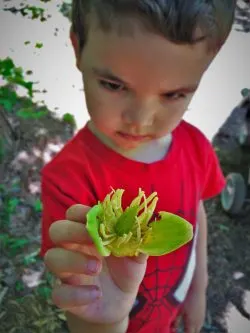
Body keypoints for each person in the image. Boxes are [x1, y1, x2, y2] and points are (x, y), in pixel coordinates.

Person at [41, 1, 236, 332]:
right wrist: (109, 319)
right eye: (114, 86)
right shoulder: (67, 181)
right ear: (77, 49)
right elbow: (85, 305)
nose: (140, 121)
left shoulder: (196, 147)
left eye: (173, 94)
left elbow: (194, 216)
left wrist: (197, 290)